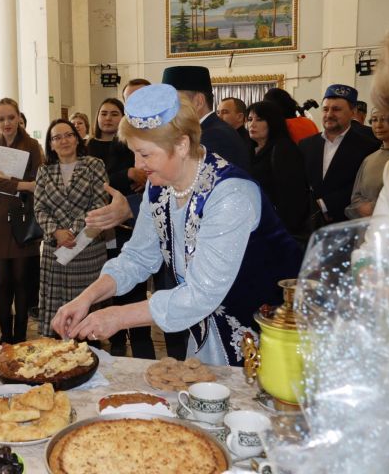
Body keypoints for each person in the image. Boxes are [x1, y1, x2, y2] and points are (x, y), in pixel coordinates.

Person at [52, 84, 303, 366]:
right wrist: (87, 297)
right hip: (206, 329)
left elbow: (201, 293)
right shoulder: (161, 187)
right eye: (135, 153)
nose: (138, 164)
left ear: (182, 145)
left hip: (264, 338)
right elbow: (138, 256)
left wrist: (118, 317)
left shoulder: (231, 194)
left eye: (146, 154)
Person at [87, 97, 154, 358]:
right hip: (102, 226)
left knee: (135, 288)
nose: (108, 118)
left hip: (133, 225)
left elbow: (144, 179)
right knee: (109, 282)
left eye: (115, 113)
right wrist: (125, 175)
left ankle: (140, 344)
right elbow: (97, 184)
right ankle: (113, 341)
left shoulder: (128, 144)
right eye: (103, 113)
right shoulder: (89, 147)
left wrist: (133, 181)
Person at [34, 119, 110, 337]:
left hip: (86, 247)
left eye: (68, 135)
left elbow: (100, 202)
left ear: (77, 139)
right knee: (57, 319)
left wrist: (72, 232)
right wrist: (56, 232)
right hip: (55, 250)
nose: (63, 140)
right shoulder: (44, 171)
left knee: (87, 319)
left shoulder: (94, 165)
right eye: (57, 137)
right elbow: (38, 208)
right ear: (51, 144)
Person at [0, 98, 42, 344]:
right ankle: (5, 336)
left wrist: (7, 180)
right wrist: (22, 184)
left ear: (18, 118)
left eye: (11, 117)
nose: (7, 123)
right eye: (1, 118)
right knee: (2, 282)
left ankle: (21, 336)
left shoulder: (32, 145)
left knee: (22, 282)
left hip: (23, 219)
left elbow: (40, 182)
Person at [300, 84, 381, 224]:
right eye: (325, 109)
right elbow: (300, 182)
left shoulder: (368, 146)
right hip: (308, 224)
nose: (329, 114)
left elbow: (363, 188)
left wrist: (326, 205)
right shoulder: (306, 145)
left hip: (347, 224)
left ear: (353, 112)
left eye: (336, 109)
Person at [162, 66, 250, 171]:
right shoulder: (206, 131)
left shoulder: (215, 136)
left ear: (199, 102)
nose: (168, 109)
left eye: (174, 101)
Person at [246, 101, 310, 239]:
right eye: (250, 119)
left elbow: (292, 197)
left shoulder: (283, 149)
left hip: (277, 229)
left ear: (272, 122)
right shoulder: (250, 149)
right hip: (256, 224)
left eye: (259, 119)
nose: (252, 124)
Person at [346, 107, 389, 219]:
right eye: (374, 120)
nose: (378, 125)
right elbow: (355, 196)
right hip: (370, 229)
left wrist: (375, 208)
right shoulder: (369, 159)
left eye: (385, 119)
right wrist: (361, 207)